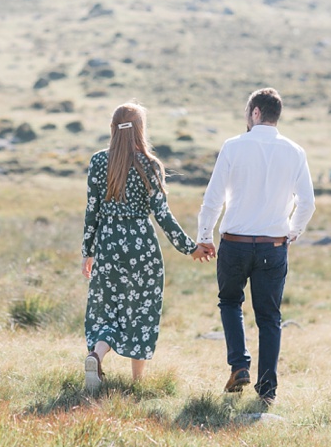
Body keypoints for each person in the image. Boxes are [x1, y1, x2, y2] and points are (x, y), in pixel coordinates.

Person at [195, 88, 315, 404]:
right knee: (269, 318)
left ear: (256, 112)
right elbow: (307, 203)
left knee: (231, 302)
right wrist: (292, 232)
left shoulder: (233, 146)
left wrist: (204, 236)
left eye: (248, 112)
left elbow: (213, 198)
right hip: (273, 246)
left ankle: (239, 365)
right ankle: (267, 391)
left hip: (234, 243)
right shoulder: (295, 151)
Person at [81, 102, 211, 392]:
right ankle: (137, 382)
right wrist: (190, 248)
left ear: (113, 129)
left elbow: (92, 212)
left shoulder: (98, 162)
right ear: (140, 130)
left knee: (107, 310)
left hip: (108, 244)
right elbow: (163, 216)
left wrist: (87, 252)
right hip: (142, 247)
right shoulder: (150, 165)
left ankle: (96, 355)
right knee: (141, 309)